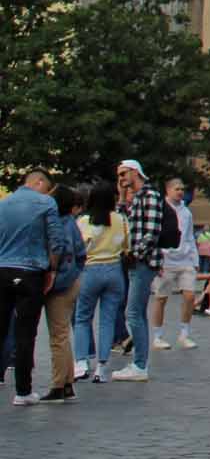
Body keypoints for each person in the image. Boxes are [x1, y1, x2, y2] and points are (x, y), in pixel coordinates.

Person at [0, 170, 66, 407]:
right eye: (46, 187)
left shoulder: (4, 203)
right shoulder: (46, 202)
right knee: (25, 333)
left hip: (2, 270)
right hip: (31, 272)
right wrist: (52, 268)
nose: (47, 192)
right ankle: (23, 391)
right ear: (39, 182)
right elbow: (57, 240)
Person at [71, 181, 129, 386]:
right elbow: (126, 246)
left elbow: (77, 247)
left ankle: (81, 363)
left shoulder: (84, 221)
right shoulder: (120, 220)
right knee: (107, 320)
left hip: (90, 270)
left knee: (82, 318)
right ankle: (102, 368)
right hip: (114, 271)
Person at [115, 158, 164, 381]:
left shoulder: (150, 195)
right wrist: (123, 197)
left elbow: (152, 232)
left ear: (135, 172)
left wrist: (135, 254)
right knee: (137, 312)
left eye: (123, 174)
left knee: (133, 312)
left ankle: (139, 365)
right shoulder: (136, 197)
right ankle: (139, 364)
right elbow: (124, 222)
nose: (121, 179)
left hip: (144, 262)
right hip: (137, 262)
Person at [35, 183, 84, 402]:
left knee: (58, 336)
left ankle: (58, 384)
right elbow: (82, 254)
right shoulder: (72, 223)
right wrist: (74, 273)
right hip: (72, 283)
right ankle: (67, 383)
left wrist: (54, 277)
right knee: (63, 333)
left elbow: (57, 250)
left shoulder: (56, 225)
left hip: (59, 286)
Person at [148, 179, 199, 352]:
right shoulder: (160, 209)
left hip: (185, 260)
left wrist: (195, 259)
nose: (180, 192)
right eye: (177, 189)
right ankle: (157, 336)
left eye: (182, 189)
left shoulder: (187, 212)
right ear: (168, 190)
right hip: (166, 259)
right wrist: (157, 259)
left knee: (190, 296)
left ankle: (184, 334)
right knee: (161, 298)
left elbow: (190, 236)